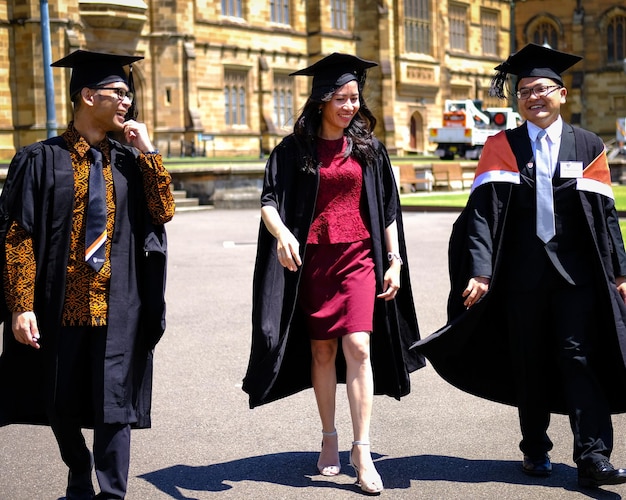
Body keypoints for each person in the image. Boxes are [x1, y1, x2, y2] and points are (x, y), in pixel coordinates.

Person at [412, 43, 626, 489]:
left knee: (579, 357)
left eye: (542, 88)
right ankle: (535, 448)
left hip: (576, 278)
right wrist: (481, 271)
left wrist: (620, 273)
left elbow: (605, 218)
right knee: (528, 362)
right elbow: (482, 217)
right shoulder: (500, 146)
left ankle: (594, 456)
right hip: (521, 278)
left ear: (562, 94)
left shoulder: (587, 145)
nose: (533, 96)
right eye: (525, 90)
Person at [242, 53, 424, 494]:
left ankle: (361, 448)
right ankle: (329, 436)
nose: (349, 107)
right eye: (341, 98)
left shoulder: (368, 149)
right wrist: (283, 234)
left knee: (359, 345)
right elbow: (269, 200)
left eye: (355, 99)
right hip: (315, 262)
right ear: (322, 100)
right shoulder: (292, 149)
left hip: (360, 257)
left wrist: (395, 259)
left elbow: (388, 210)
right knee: (322, 351)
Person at [0, 50, 175, 499]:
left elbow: (163, 212)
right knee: (59, 401)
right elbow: (18, 235)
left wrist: (149, 152)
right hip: (60, 301)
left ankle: (112, 493)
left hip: (119, 303)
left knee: (115, 404)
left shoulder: (131, 163)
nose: (126, 102)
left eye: (128, 94)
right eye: (118, 93)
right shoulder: (38, 160)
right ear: (87, 95)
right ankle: (79, 466)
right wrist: (21, 305)